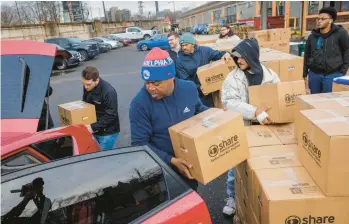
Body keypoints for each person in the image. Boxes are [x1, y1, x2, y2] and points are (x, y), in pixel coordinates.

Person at [129, 48, 208, 190]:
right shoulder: (139, 104)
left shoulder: (189, 88)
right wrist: (171, 161)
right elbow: (139, 144)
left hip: (189, 166)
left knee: (190, 204)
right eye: (147, 82)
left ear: (171, 76)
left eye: (156, 83)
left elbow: (199, 111)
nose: (151, 88)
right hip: (158, 173)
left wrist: (219, 115)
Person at [220, 38, 280, 216]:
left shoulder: (270, 76)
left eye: (242, 57)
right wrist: (254, 111)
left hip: (267, 127)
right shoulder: (233, 79)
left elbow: (278, 97)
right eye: (236, 57)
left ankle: (264, 196)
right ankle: (231, 196)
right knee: (236, 165)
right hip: (243, 125)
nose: (238, 61)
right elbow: (229, 102)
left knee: (263, 162)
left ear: (252, 56)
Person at [176, 32, 232, 107]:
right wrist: (199, 88)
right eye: (182, 45)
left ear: (192, 44)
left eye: (186, 45)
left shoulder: (204, 51)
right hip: (194, 94)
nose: (184, 48)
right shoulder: (180, 61)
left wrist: (226, 53)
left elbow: (217, 54)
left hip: (209, 92)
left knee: (211, 112)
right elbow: (185, 80)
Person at [303, 7, 349, 94]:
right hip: (314, 74)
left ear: (330, 20)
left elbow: (347, 51)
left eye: (323, 19)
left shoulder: (340, 33)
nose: (319, 21)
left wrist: (342, 72)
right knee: (314, 101)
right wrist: (305, 73)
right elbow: (307, 54)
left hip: (333, 74)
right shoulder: (312, 36)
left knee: (329, 101)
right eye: (318, 19)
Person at [82, 66, 120, 150]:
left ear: (97, 80)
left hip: (107, 132)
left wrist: (93, 127)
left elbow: (111, 115)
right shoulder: (88, 87)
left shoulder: (109, 92)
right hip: (94, 127)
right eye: (83, 83)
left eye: (88, 84)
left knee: (103, 156)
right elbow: (86, 105)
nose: (85, 87)